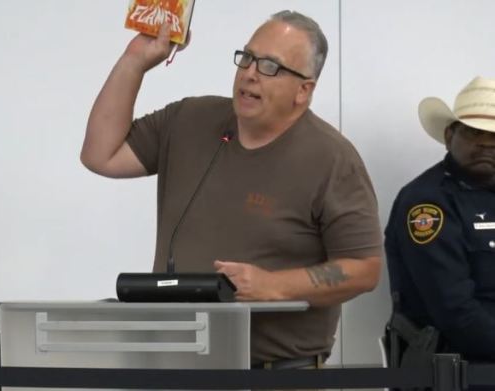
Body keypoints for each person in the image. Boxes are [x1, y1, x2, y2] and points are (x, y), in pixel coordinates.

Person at [81, 10, 382, 368]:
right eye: (248, 58)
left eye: (271, 66)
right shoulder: (190, 120)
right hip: (174, 363)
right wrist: (135, 61)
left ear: (304, 90)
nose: (251, 73)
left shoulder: (333, 160)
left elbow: (364, 269)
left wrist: (274, 285)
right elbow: (101, 155)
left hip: (275, 373)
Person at [385, 76, 495, 363]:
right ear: (449, 136)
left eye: (494, 134)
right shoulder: (427, 203)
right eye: (473, 132)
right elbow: (455, 312)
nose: (485, 143)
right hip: (455, 370)